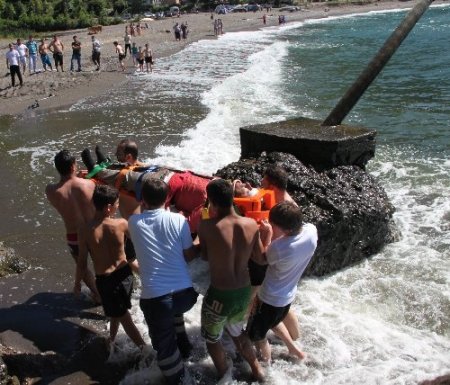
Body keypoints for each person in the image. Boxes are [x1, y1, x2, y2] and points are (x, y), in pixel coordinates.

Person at [128, 178, 199, 385]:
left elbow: (137, 213)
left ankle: (179, 380)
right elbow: (189, 255)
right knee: (172, 310)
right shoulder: (179, 220)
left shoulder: (133, 222)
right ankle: (184, 346)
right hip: (186, 296)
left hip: (157, 301)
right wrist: (198, 241)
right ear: (167, 198)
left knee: (164, 346)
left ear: (143, 200)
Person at [198, 179, 265, 382]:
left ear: (212, 202)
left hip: (220, 294)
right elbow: (260, 258)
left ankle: (224, 376)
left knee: (211, 339)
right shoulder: (251, 224)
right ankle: (258, 372)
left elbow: (205, 256)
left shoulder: (208, 226)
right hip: (243, 292)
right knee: (238, 333)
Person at [247, 202, 318, 362]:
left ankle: (266, 368)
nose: (271, 225)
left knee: (256, 335)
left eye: (273, 224)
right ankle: (295, 349)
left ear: (286, 230)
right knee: (273, 321)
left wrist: (266, 235)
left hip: (269, 298)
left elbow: (262, 259)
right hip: (287, 296)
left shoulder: (280, 247)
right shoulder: (311, 231)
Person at [76, 184, 145, 350]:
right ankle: (112, 340)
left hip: (106, 282)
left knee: (122, 316)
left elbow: (82, 261)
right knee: (118, 313)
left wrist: (77, 282)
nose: (118, 206)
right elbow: (141, 244)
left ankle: (146, 351)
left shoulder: (85, 230)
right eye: (117, 203)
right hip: (125, 276)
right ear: (108, 207)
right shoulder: (121, 224)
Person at [45, 150, 100, 303]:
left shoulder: (51, 191)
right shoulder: (89, 184)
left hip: (74, 236)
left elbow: (63, 188)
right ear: (73, 166)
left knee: (82, 266)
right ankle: (108, 293)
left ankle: (97, 294)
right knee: (100, 263)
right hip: (94, 231)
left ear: (58, 168)